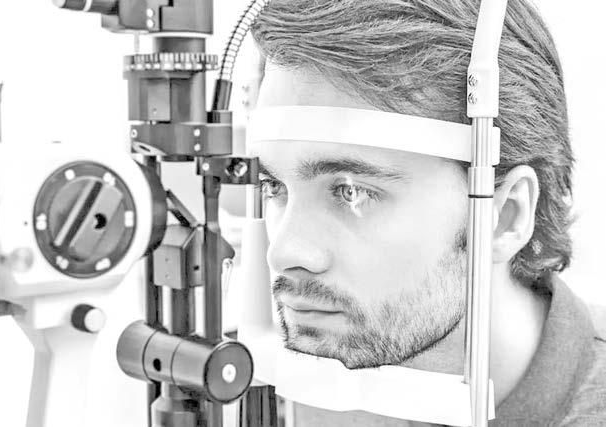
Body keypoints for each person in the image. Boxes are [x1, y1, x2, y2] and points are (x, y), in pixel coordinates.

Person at [248, 0, 606, 425]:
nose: (283, 252)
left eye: (350, 192)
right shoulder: (311, 380)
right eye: (274, 186)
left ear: (505, 215)